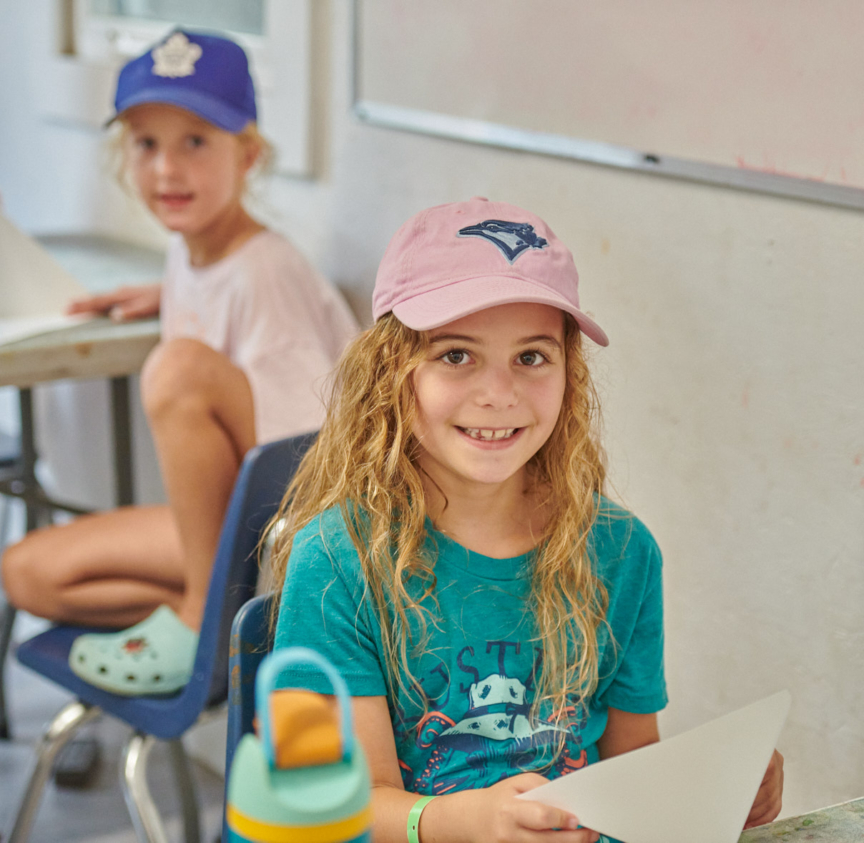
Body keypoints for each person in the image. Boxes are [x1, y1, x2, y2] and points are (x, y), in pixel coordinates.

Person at [268, 198, 784, 842]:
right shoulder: (339, 559)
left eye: (531, 357)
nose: (499, 393)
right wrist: (467, 822)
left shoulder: (622, 551)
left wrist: (711, 784)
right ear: (391, 374)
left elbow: (631, 769)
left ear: (569, 373)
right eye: (456, 355)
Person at [0, 29, 358, 696]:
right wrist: (166, 293)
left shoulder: (267, 273)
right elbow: (224, 304)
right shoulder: (191, 254)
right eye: (146, 144)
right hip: (220, 534)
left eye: (195, 142)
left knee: (176, 368)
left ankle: (201, 617)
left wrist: (187, 358)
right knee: (25, 574)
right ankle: (224, 622)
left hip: (282, 541)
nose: (167, 169)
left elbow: (309, 467)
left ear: (248, 155)